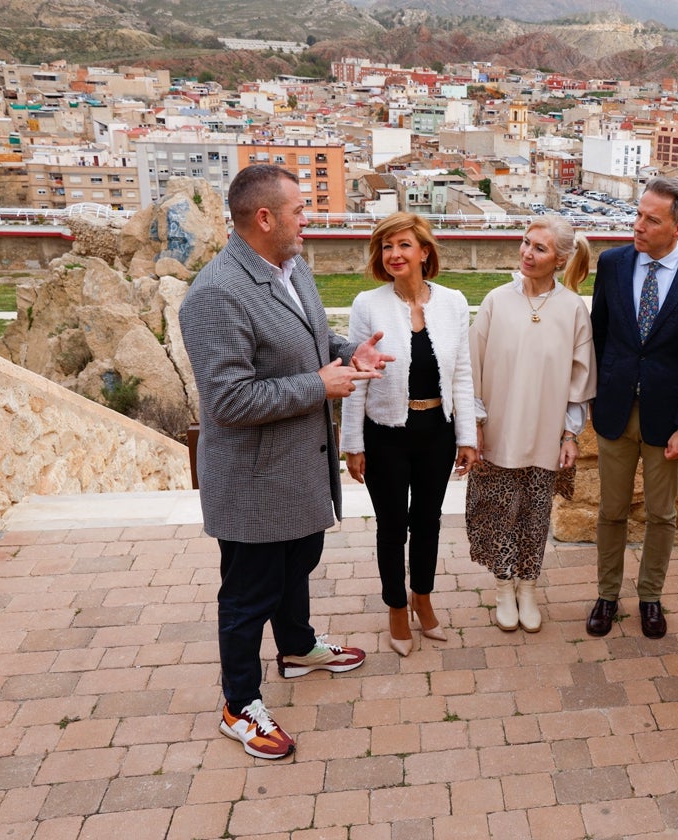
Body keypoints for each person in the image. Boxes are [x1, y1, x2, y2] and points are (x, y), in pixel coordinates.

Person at [179, 164, 392, 760]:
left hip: (297, 467)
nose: (309, 219)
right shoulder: (216, 293)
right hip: (254, 480)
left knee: (299, 558)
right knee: (249, 592)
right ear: (265, 218)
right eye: (299, 210)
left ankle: (297, 646)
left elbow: (315, 341)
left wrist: (352, 354)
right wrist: (320, 386)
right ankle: (238, 703)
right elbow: (230, 400)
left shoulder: (292, 267)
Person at [586, 176, 678, 640]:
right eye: (638, 214)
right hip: (614, 412)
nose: (638, 225)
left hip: (668, 420)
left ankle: (650, 597)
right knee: (611, 510)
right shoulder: (612, 263)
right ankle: (607, 595)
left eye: (651, 219)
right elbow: (600, 334)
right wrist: (601, 393)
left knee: (662, 515)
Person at [340, 212, 478, 657]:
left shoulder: (454, 302)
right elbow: (358, 374)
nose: (394, 254)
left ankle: (423, 596)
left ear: (424, 251)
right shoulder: (368, 305)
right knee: (391, 527)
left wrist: (467, 436)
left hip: (436, 432)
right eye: (386, 247)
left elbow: (461, 374)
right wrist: (353, 444)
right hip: (386, 436)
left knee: (428, 522)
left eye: (403, 245)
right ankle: (396, 607)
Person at [467, 216, 596, 632]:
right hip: (499, 428)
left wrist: (571, 433)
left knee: (536, 513)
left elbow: (581, 377)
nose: (527, 252)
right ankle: (504, 586)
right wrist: (476, 422)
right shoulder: (495, 301)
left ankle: (528, 585)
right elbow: (472, 368)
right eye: (525, 243)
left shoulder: (573, 308)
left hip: (546, 432)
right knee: (500, 510)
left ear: (559, 260)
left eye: (539, 248)